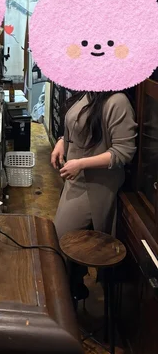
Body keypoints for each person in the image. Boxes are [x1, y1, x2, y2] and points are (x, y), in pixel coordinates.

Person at [51, 91, 137, 300]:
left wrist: (81, 164)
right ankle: (73, 287)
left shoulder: (117, 101)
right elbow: (77, 125)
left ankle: (63, 300)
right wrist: (62, 141)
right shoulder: (89, 94)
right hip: (75, 182)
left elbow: (124, 151)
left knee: (59, 244)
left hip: (93, 187)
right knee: (61, 241)